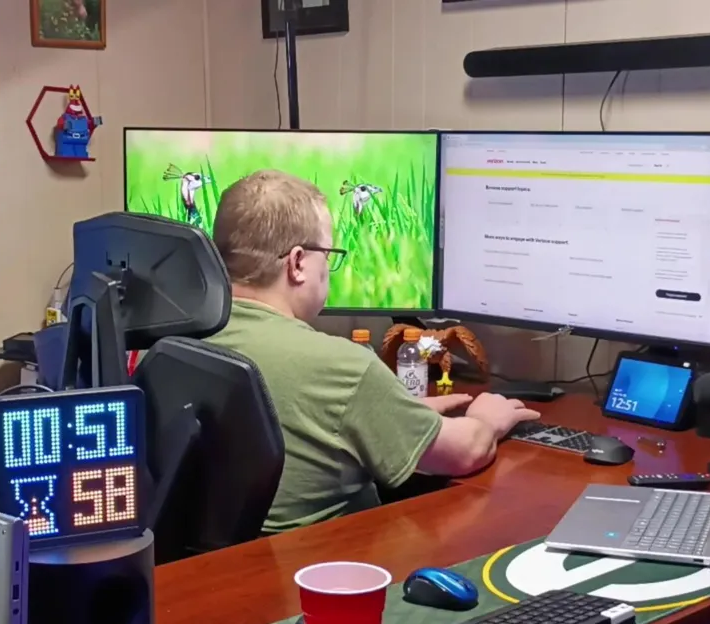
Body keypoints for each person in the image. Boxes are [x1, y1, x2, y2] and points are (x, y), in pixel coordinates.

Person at [206, 170, 540, 533]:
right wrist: (485, 420)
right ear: (298, 263)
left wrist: (396, 414)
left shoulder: (179, 341)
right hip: (330, 557)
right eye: (328, 254)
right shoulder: (341, 365)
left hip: (232, 561)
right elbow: (465, 452)